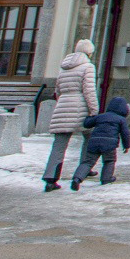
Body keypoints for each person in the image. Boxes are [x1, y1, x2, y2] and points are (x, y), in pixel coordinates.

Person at [41, 39, 98, 192]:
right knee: (90, 137)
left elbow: (57, 90)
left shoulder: (64, 67)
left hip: (63, 106)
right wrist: (94, 110)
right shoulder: (88, 67)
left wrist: (63, 101)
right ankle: (85, 168)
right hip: (80, 107)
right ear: (89, 52)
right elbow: (89, 91)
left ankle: (50, 178)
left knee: (59, 145)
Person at [70, 96, 130, 191]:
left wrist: (89, 116)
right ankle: (106, 178)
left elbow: (87, 124)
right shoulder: (121, 120)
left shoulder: (101, 116)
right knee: (109, 161)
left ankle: (77, 178)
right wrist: (126, 146)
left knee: (88, 162)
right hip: (109, 144)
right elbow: (125, 134)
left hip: (94, 141)